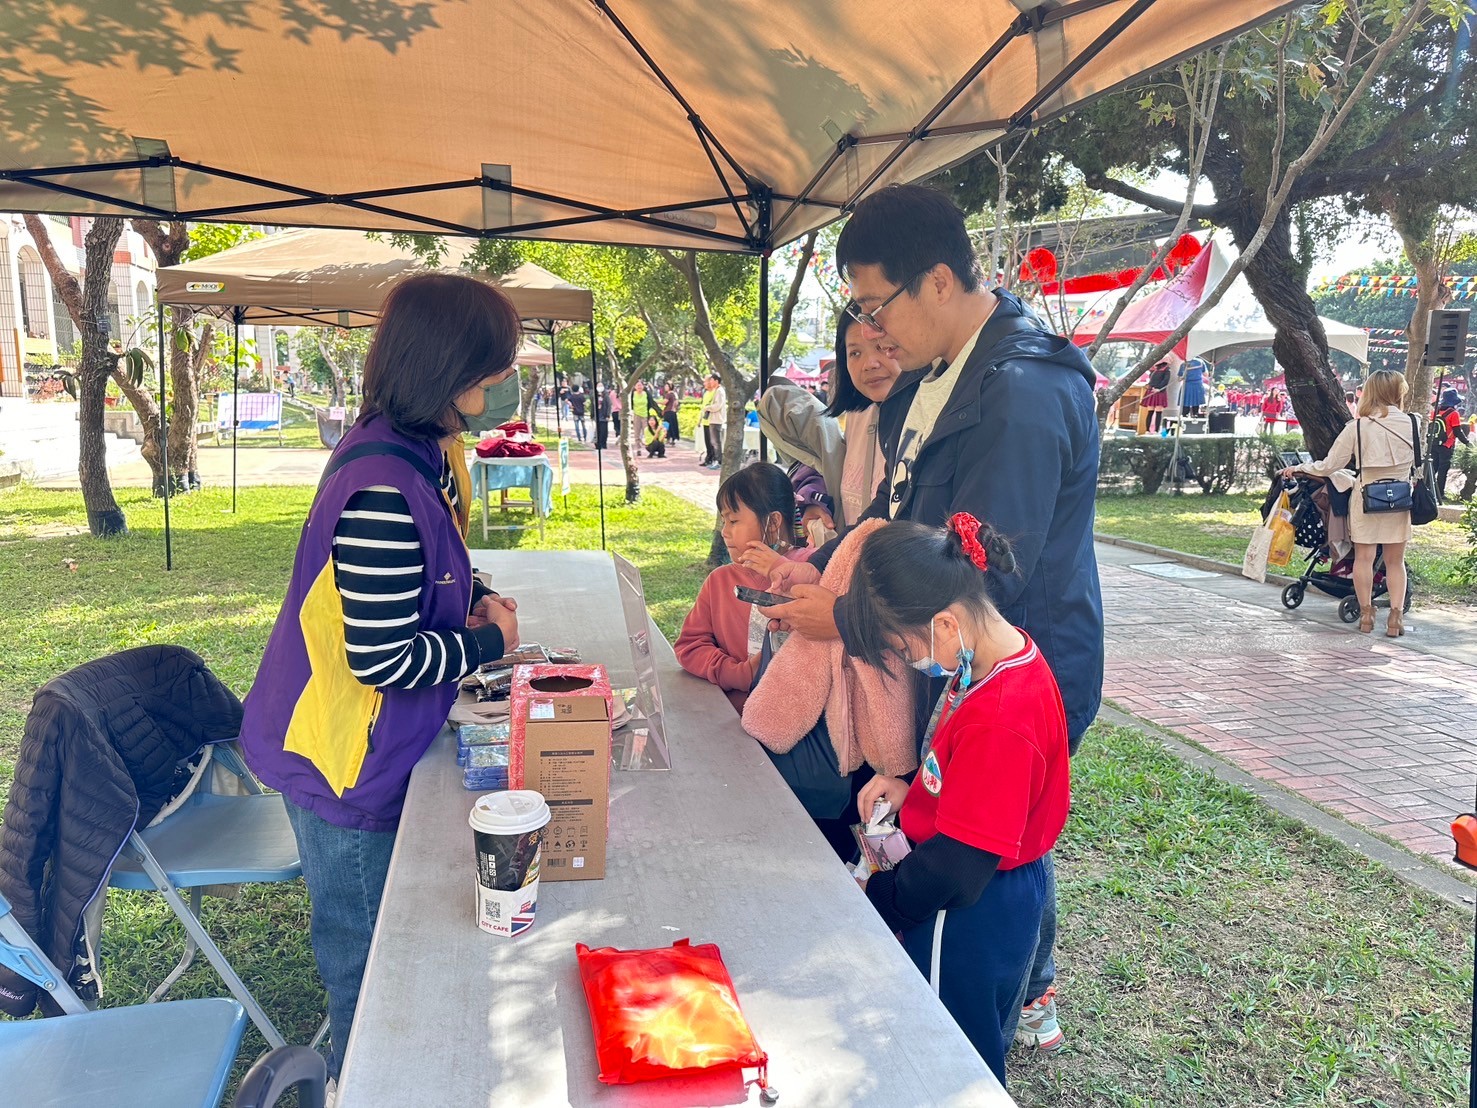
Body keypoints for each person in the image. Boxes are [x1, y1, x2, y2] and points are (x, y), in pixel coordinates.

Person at [765, 183, 1102, 1054]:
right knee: (961, 821)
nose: (872, 330)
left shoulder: (1019, 393)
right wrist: (820, 572)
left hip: (1009, 674)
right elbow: (898, 522)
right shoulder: (936, 378)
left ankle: (1010, 995)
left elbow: (978, 574)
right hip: (955, 667)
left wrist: (846, 617)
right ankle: (950, 991)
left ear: (939, 281)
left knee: (988, 853)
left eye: (877, 305)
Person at [238, 273, 523, 1080]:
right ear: (449, 371)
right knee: (367, 959)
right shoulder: (383, 490)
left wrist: (472, 593)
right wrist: (486, 644)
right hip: (345, 761)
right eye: (489, 375)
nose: (495, 391)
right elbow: (384, 658)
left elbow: (416, 576)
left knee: (385, 942)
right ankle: (364, 1077)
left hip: (369, 744)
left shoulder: (412, 450)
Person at [845, 514, 1069, 1085]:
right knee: (967, 1032)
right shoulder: (998, 657)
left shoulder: (1002, 715)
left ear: (944, 622)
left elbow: (960, 865)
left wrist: (886, 897)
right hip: (990, 883)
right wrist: (913, 789)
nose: (909, 660)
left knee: (950, 1051)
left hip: (969, 906)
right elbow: (969, 776)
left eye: (903, 646)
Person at [1281, 369, 1415, 637]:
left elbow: (1330, 465)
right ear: (1397, 392)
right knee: (1394, 561)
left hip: (1366, 496)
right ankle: (1395, 619)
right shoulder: (1413, 423)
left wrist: (1299, 468)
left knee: (1363, 558)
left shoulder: (1357, 427)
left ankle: (1366, 615)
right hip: (1399, 498)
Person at [674, 464, 804, 713]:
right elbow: (690, 646)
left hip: (795, 719)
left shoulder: (811, 575)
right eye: (724, 521)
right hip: (730, 719)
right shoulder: (719, 581)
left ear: (773, 522)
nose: (724, 532)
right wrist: (738, 673)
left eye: (733, 521)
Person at [1431, 387, 1469, 502]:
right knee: (1443, 470)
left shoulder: (1435, 411)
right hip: (1447, 445)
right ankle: (1440, 494)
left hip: (1434, 444)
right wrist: (1467, 443)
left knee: (1433, 468)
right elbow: (1457, 431)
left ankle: (1429, 491)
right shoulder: (1454, 413)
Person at [699, 373, 726, 469]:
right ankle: (715, 460)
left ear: (716, 381)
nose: (710, 382)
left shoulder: (719, 391)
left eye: (711, 380)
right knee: (713, 442)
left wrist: (708, 408)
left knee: (716, 442)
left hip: (717, 420)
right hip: (713, 419)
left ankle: (718, 461)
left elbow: (718, 405)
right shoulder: (716, 391)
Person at [1142, 360, 1171, 433]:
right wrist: (1153, 388)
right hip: (1153, 391)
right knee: (1152, 412)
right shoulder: (1155, 369)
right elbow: (1152, 380)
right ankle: (1149, 430)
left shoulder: (1165, 369)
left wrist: (1158, 388)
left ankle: (1154, 430)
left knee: (1157, 412)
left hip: (1158, 391)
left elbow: (1165, 381)